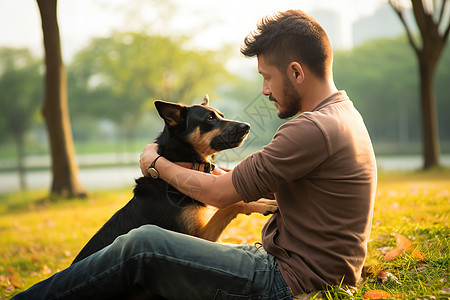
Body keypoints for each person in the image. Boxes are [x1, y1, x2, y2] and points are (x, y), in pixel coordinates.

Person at [13, 9, 376, 299]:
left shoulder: (310, 129)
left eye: (267, 77)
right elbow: (240, 183)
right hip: (296, 265)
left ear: (296, 72)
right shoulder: (343, 115)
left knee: (142, 244)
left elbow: (220, 194)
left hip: (285, 280)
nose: (264, 90)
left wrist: (156, 165)